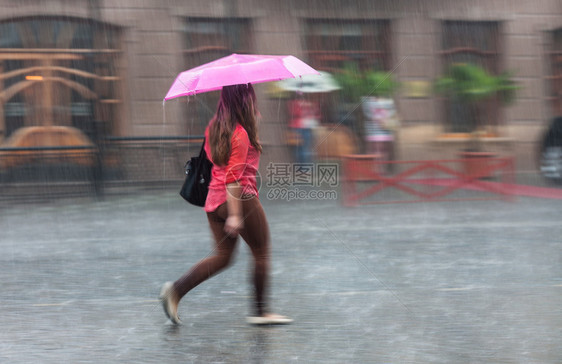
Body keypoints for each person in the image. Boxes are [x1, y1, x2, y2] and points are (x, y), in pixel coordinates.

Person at [160, 83, 292, 325]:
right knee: (261, 252)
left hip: (213, 200)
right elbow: (233, 177)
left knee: (223, 256)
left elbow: (214, 164)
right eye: (251, 96)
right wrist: (234, 215)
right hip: (238, 197)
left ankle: (175, 290)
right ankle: (261, 312)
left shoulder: (214, 127)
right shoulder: (240, 133)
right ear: (246, 99)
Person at [288, 96, 320, 164]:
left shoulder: (295, 103)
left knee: (300, 149)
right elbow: (317, 115)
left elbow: (293, 112)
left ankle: (303, 167)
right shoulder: (313, 103)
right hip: (306, 126)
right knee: (304, 148)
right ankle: (305, 167)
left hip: (299, 126)